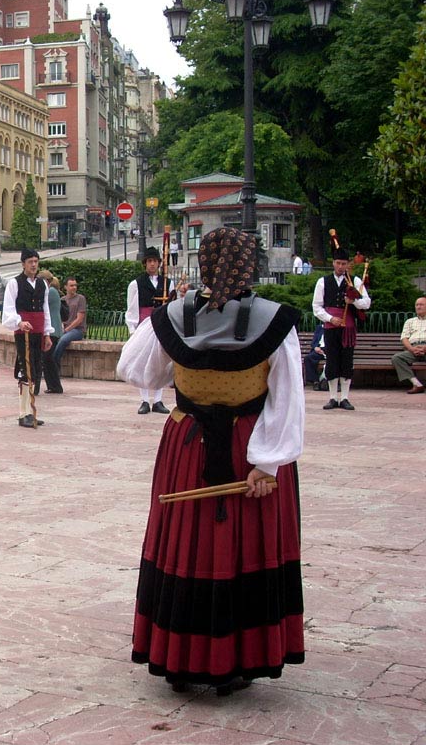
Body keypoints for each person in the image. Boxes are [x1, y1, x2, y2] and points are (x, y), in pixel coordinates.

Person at [117, 226, 305, 696]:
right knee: (243, 549)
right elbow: (287, 398)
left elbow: (135, 370)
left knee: (186, 545)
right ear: (250, 264)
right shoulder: (276, 320)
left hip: (189, 444)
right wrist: (268, 463)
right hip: (249, 447)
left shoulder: (174, 315)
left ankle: (179, 660)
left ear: (202, 263)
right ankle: (238, 661)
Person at [312, 248, 371, 410]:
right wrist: (331, 319)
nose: (340, 266)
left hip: (348, 327)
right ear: (333, 263)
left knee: (346, 360)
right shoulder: (323, 282)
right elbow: (316, 307)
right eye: (338, 263)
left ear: (348, 264)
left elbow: (366, 303)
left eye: (343, 264)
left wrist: (353, 302)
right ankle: (332, 398)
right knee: (332, 360)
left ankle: (344, 397)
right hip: (331, 326)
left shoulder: (355, 281)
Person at [2, 248, 52, 427]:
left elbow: (45, 309)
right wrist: (19, 322)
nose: (33, 265)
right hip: (23, 333)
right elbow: (8, 309)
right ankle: (24, 413)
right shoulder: (14, 284)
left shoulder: (42, 284)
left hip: (38, 331)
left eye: (36, 262)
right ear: (23, 264)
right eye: (30, 262)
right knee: (25, 369)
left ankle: (31, 410)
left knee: (36, 369)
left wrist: (47, 333)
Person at [125, 246, 174, 414]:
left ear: (159, 263)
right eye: (149, 261)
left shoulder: (168, 282)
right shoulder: (136, 284)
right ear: (145, 264)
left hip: (161, 325)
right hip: (144, 325)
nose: (152, 264)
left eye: (155, 261)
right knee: (143, 362)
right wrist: (133, 330)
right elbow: (132, 309)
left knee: (161, 362)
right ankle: (144, 400)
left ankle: (158, 400)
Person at [391, 296, 426, 394]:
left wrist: (425, 348)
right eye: (417, 305)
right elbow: (404, 338)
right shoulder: (410, 321)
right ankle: (417, 384)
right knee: (397, 358)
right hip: (413, 349)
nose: (418, 307)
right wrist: (412, 349)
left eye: (421, 305)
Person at [50, 276, 87, 367]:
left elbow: (79, 319)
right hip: (64, 328)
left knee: (63, 340)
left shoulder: (80, 299)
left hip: (77, 330)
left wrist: (66, 330)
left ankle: (54, 364)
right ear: (65, 287)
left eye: (75, 285)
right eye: (71, 285)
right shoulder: (62, 300)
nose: (74, 287)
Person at [38, 270, 64, 394]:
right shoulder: (51, 291)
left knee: (48, 358)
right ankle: (52, 385)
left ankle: (56, 386)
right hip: (53, 329)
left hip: (53, 330)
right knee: (47, 359)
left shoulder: (50, 291)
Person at [303, 324, 328, 390]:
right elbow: (314, 341)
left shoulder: (335, 328)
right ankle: (315, 382)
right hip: (319, 349)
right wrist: (315, 347)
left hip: (330, 350)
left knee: (335, 359)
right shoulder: (320, 327)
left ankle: (332, 382)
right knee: (308, 358)